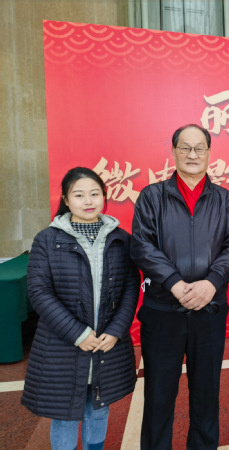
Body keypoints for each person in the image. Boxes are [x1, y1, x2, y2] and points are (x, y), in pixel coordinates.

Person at [131, 124, 229, 449]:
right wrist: (175, 284)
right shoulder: (152, 196)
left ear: (208, 153)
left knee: (207, 394)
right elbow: (142, 246)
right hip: (162, 311)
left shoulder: (224, 199)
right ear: (174, 151)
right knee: (158, 395)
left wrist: (212, 282)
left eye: (199, 148)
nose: (192, 154)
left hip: (209, 311)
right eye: (185, 148)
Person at [22, 167, 140, 450]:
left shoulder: (121, 238)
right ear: (65, 199)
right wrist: (78, 334)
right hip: (63, 344)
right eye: (79, 195)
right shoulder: (47, 240)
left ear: (104, 196)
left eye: (95, 194)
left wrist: (116, 330)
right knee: (64, 415)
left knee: (98, 407)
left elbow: (130, 286)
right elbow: (39, 291)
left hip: (106, 342)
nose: (88, 201)